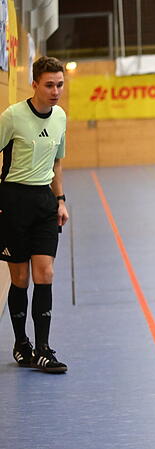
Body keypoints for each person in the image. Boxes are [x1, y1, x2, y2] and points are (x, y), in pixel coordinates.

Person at [0, 56, 69, 373]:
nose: (55, 91)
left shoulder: (60, 118)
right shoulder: (12, 117)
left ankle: (43, 349)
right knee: (21, 278)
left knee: (46, 275)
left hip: (44, 203)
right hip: (14, 201)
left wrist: (61, 200)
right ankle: (21, 343)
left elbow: (56, 163)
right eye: (49, 85)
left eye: (60, 85)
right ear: (35, 84)